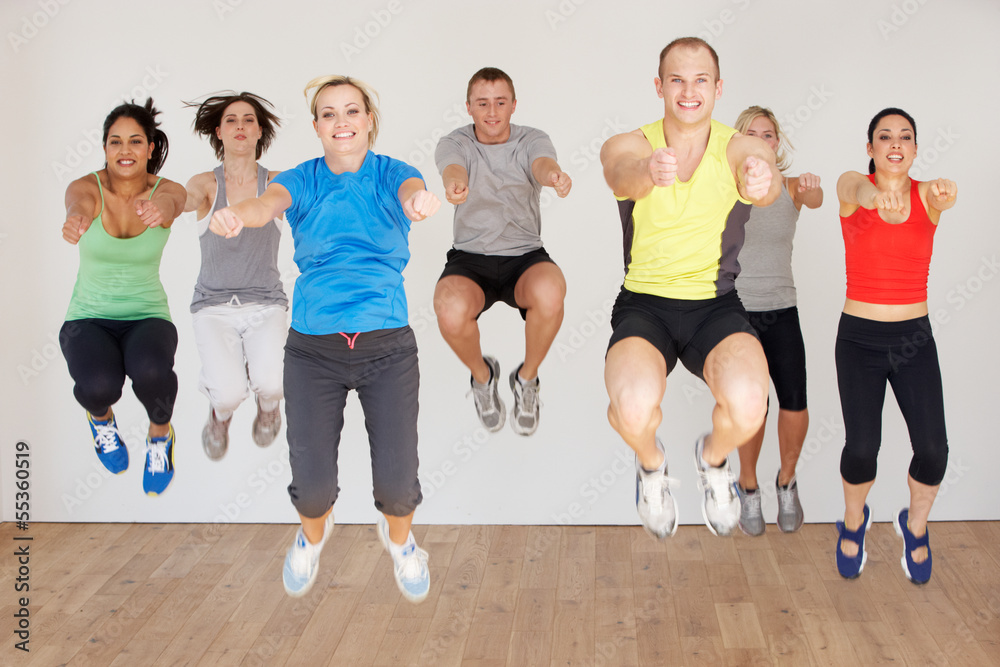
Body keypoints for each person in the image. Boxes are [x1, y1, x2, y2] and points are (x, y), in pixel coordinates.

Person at [210, 75, 441, 602]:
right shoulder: (302, 179)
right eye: (330, 114)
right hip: (314, 350)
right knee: (313, 491)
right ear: (316, 126)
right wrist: (234, 215)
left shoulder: (394, 174)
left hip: (387, 347)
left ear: (368, 120)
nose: (342, 122)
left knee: (397, 487)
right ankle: (312, 537)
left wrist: (419, 201)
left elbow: (411, 193)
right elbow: (265, 205)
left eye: (352, 111)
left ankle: (403, 546)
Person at [599, 37, 781, 539]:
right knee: (632, 407)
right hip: (645, 305)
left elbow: (760, 173)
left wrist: (763, 179)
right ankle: (653, 469)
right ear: (659, 86)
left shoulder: (736, 145)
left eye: (700, 79)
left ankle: (714, 460)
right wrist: (647, 172)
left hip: (713, 306)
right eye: (676, 79)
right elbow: (621, 171)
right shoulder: (631, 144)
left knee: (750, 403)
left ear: (718, 89)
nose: (688, 90)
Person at [834, 107, 956, 583]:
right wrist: (872, 195)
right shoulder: (853, 190)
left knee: (933, 449)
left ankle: (915, 526)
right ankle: (853, 522)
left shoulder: (928, 196)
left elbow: (944, 196)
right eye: (884, 136)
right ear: (871, 149)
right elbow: (851, 186)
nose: (895, 142)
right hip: (859, 340)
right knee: (863, 448)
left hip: (913, 340)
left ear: (916, 148)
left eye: (905, 136)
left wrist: (946, 192)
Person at [433, 67, 572, 436]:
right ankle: (484, 377)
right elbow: (451, 168)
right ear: (469, 107)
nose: (491, 111)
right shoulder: (456, 142)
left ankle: (526, 380)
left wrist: (553, 175)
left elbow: (541, 163)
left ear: (513, 105)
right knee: (448, 309)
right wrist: (455, 183)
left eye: (500, 102)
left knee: (551, 290)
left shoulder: (532, 139)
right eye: (482, 103)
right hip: (470, 258)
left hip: (524, 256)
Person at [59, 98, 187, 496]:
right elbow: (78, 202)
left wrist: (159, 209)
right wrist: (76, 217)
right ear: (104, 148)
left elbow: (172, 203)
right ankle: (102, 422)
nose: (125, 150)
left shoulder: (168, 191)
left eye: (135, 141)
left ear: (150, 148)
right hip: (87, 318)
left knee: (152, 374)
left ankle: (160, 438)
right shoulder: (86, 188)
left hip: (147, 314)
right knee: (99, 387)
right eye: (116, 142)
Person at [731, 106, 823, 536]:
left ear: (777, 143)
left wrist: (810, 186)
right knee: (753, 408)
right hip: (734, 310)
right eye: (753, 133)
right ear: (739, 142)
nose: (762, 140)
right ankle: (748, 486)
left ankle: (786, 481)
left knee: (795, 402)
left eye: (769, 134)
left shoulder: (790, 187)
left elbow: (816, 199)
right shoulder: (724, 187)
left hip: (782, 309)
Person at [184, 92, 287, 460]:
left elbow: (303, 205)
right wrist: (156, 206)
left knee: (273, 384)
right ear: (219, 131)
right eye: (231, 120)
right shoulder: (205, 185)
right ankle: (220, 414)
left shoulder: (275, 181)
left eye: (248, 120)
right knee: (227, 393)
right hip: (212, 305)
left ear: (260, 131)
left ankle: (268, 408)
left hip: (265, 302)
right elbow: (179, 200)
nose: (240, 126)